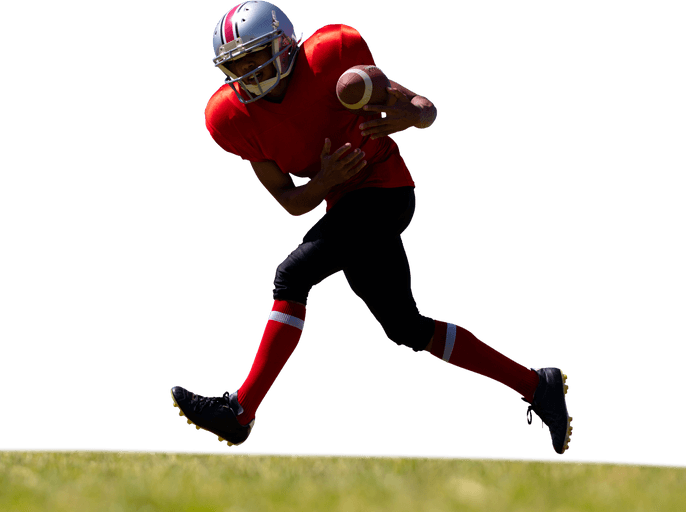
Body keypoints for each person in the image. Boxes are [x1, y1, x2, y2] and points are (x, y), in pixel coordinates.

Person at [169, 0, 574, 455]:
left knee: (292, 275)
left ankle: (240, 413)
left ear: (285, 45)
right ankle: (537, 384)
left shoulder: (331, 60)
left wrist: (415, 114)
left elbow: (424, 106)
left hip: (386, 190)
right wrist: (323, 182)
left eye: (253, 56)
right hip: (344, 204)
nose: (246, 70)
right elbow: (289, 201)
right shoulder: (231, 118)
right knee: (407, 328)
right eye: (236, 63)